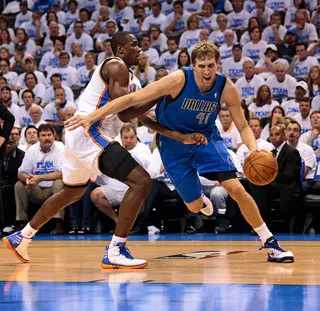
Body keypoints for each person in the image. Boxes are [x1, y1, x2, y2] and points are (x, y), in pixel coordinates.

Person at [65, 41, 295, 263]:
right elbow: (131, 98)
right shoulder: (177, 80)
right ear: (193, 65)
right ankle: (200, 199)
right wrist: (92, 116)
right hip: (172, 144)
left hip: (205, 138)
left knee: (235, 188)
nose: (207, 71)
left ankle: (270, 243)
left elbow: (243, 126)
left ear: (218, 65)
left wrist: (254, 151)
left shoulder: (225, 87)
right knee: (195, 206)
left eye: (211, 66)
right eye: (202, 66)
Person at [3, 32, 205, 268]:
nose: (139, 50)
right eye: (134, 45)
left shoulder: (135, 83)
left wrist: (181, 136)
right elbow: (124, 112)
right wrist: (160, 92)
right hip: (90, 130)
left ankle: (22, 237)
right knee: (141, 182)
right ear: (120, 50)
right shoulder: (116, 65)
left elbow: (146, 120)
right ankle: (116, 250)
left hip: (82, 135)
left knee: (72, 193)